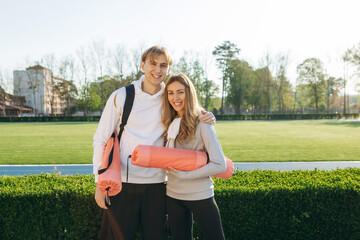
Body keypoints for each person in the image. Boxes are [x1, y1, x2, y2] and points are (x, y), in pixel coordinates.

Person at [93, 46, 215, 240]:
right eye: (153, 63)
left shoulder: (169, 96)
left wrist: (206, 115)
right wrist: (100, 184)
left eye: (163, 65)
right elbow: (100, 139)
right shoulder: (121, 96)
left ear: (168, 70)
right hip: (123, 184)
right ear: (143, 65)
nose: (157, 70)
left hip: (158, 185)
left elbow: (190, 109)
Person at [162, 73, 226, 240]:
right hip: (173, 195)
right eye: (170, 92)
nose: (175, 97)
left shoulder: (203, 122)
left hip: (200, 195)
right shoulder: (168, 121)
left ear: (189, 93)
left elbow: (220, 164)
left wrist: (186, 175)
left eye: (180, 92)